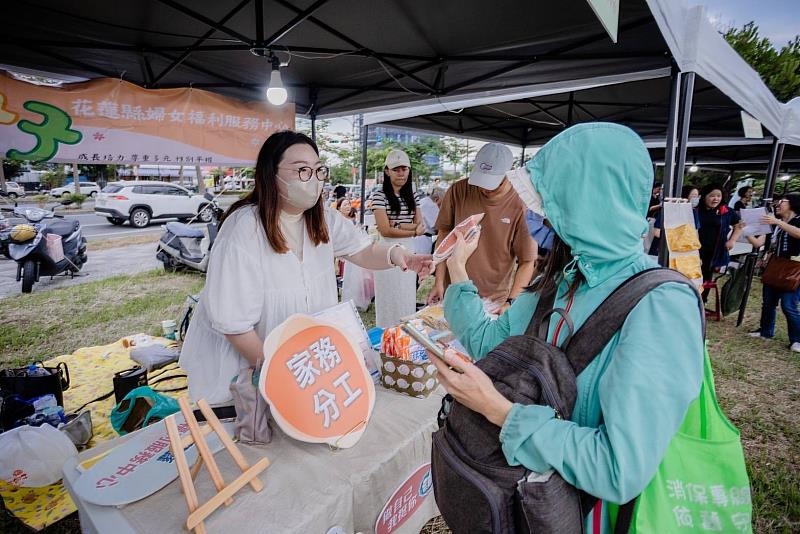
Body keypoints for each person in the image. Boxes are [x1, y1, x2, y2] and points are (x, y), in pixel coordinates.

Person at [430, 123, 704, 533]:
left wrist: (499, 410)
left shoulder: (661, 306)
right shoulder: (565, 278)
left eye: (551, 201)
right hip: (524, 501)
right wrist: (457, 266)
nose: (541, 215)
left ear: (587, 202)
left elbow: (618, 470)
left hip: (583, 514)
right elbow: (489, 343)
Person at [179, 132, 431, 404]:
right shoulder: (244, 229)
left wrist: (399, 255)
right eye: (302, 170)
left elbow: (363, 250)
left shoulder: (323, 218)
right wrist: (282, 378)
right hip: (249, 370)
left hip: (303, 365)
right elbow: (236, 327)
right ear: (270, 174)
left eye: (318, 170)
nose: (313, 179)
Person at [428, 143, 536, 315]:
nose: (484, 188)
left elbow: (527, 261)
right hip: (453, 290)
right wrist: (438, 282)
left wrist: (511, 301)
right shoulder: (458, 190)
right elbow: (444, 233)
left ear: (509, 173)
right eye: (481, 180)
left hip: (493, 300)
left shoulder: (522, 204)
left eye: (492, 183)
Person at [371, 149, 426, 327]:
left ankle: (406, 333)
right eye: (396, 169)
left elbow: (420, 226)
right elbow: (385, 231)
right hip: (386, 251)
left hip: (408, 248)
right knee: (387, 296)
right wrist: (411, 229)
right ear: (387, 171)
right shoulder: (379, 195)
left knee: (406, 294)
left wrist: (398, 225)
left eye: (404, 169)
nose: (401, 173)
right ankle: (386, 334)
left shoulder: (413, 195)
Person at [747, 193, 800, 352]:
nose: (777, 204)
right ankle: (765, 331)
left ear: (793, 203)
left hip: (794, 269)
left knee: (788, 305)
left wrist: (777, 222)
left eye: (782, 201)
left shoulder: (794, 221)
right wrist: (746, 231)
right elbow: (763, 243)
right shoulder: (776, 223)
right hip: (775, 266)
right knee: (768, 302)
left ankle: (797, 340)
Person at [697, 184, 743, 285]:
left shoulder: (726, 211)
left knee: (706, 279)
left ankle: (703, 295)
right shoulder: (696, 210)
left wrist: (732, 240)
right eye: (712, 196)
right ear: (704, 196)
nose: (716, 199)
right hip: (695, 249)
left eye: (719, 196)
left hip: (714, 251)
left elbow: (739, 225)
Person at [648, 184, 700, 256]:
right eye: (693, 195)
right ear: (684, 196)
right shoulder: (669, 209)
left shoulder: (694, 212)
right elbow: (657, 232)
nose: (696, 198)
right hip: (661, 250)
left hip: (682, 253)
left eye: (697, 196)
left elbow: (695, 234)